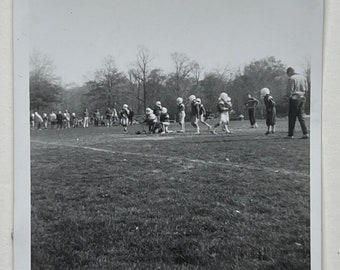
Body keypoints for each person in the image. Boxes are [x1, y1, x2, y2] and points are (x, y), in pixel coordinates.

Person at [285, 67, 309, 139]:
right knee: (301, 116)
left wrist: (287, 96)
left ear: (289, 72)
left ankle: (290, 134)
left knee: (292, 116)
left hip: (295, 98)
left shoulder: (291, 78)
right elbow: (306, 89)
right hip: (302, 98)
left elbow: (290, 91)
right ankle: (305, 133)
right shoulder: (303, 78)